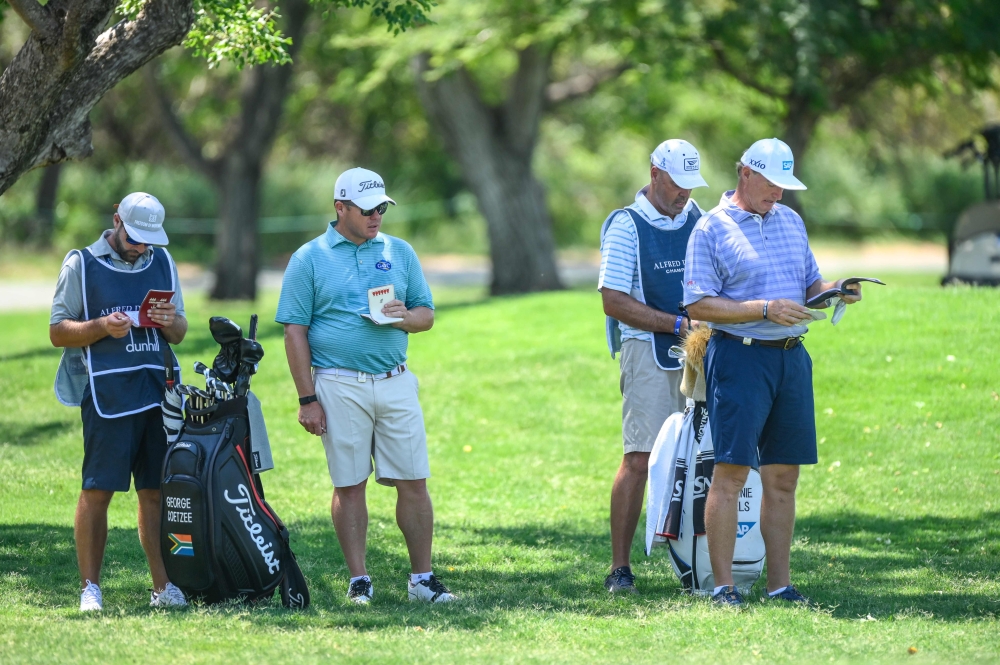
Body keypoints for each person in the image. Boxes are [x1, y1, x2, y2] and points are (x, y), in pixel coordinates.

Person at [682, 138, 862, 607]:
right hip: (739, 357)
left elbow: (808, 285)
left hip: (790, 357)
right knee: (732, 472)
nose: (779, 193)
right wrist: (762, 308)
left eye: (785, 185)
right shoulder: (711, 229)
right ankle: (723, 588)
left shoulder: (791, 221)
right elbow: (698, 302)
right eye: (772, 183)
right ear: (745, 173)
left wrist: (836, 289)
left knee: (784, 477)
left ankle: (779, 586)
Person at [276, 167, 455, 605]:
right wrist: (307, 399)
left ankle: (422, 580)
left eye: (382, 208)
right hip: (338, 383)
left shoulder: (399, 251)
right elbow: (294, 331)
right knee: (349, 484)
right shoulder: (309, 257)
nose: (377, 216)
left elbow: (425, 314)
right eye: (367, 209)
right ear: (340, 208)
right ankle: (360, 580)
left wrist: (404, 317)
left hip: (395, 380)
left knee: (415, 480)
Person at [49, 192, 189, 611]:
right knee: (98, 490)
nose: (142, 246)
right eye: (135, 236)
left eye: (150, 239)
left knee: (156, 491)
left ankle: (163, 587)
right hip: (108, 393)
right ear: (117, 221)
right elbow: (58, 330)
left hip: (158, 393)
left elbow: (180, 330)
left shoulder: (163, 262)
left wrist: (170, 322)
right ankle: (90, 588)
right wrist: (99, 327)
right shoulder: (81, 263)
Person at [598, 139, 709, 593]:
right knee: (640, 457)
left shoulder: (699, 218)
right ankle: (620, 567)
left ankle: (698, 559)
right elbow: (613, 301)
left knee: (706, 457)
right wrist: (678, 322)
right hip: (646, 350)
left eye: (690, 185)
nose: (684, 193)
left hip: (702, 349)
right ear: (655, 173)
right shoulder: (625, 225)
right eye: (677, 183)